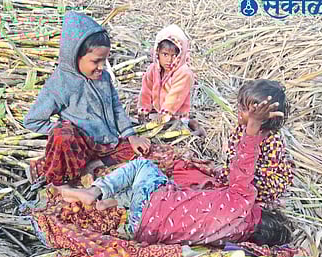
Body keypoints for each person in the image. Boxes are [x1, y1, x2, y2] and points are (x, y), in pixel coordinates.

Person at [58, 93, 291, 247]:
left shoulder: (242, 200)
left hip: (153, 205)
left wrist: (253, 127)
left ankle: (97, 192)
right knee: (162, 195)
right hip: (144, 232)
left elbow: (244, 162)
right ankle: (115, 202)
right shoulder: (228, 241)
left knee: (144, 167)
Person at [24, 11, 150, 186]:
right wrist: (69, 131)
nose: (101, 67)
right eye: (96, 61)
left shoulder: (104, 78)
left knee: (145, 153)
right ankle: (69, 177)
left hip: (107, 145)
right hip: (78, 148)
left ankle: (94, 165)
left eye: (104, 61)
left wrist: (131, 135)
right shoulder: (60, 84)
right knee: (63, 135)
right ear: (75, 56)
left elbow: (116, 108)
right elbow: (32, 120)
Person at [172, 79, 295, 204]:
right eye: (240, 106)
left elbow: (262, 175)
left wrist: (235, 179)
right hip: (239, 170)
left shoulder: (272, 142)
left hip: (257, 181)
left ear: (263, 119)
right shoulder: (242, 128)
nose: (239, 111)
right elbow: (234, 153)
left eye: (245, 109)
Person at [137, 25, 205, 135]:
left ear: (181, 55)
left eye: (174, 55)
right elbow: (146, 90)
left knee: (169, 134)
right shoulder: (153, 70)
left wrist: (165, 114)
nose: (169, 60)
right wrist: (144, 109)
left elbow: (175, 96)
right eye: (165, 54)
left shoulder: (183, 73)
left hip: (176, 116)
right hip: (159, 112)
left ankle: (193, 130)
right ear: (157, 52)